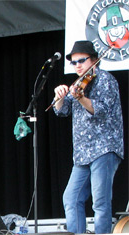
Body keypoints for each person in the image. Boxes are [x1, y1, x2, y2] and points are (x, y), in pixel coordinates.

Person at [52, 40, 123, 234]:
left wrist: (81, 98)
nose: (77, 66)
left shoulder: (105, 80)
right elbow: (61, 111)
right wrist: (59, 97)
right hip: (82, 152)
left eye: (81, 60)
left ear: (93, 60)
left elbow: (101, 111)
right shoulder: (77, 83)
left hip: (104, 147)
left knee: (100, 202)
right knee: (71, 198)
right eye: (74, 62)